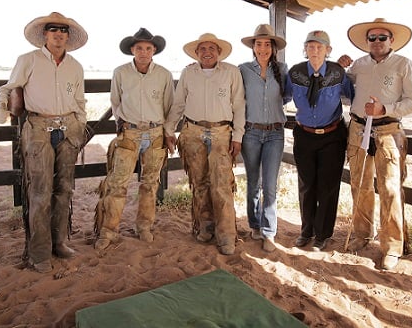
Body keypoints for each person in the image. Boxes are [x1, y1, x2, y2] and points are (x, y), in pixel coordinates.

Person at [0, 12, 88, 273]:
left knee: (64, 189)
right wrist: (1, 109)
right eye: (53, 29)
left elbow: (79, 101)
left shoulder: (75, 66)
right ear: (45, 34)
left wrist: (79, 126)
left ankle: (59, 242)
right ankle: (38, 254)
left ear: (68, 36)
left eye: (63, 30)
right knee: (39, 191)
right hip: (38, 128)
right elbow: (8, 88)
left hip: (68, 128)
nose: (58, 34)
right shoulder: (29, 60)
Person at [341, 17, 412, 270]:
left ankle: (392, 247)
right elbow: (343, 83)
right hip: (357, 129)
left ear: (391, 40)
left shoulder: (404, 64)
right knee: (360, 184)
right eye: (372, 38)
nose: (376, 42)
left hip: (388, 129)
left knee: (390, 188)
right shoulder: (359, 65)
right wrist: (340, 67)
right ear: (367, 42)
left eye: (381, 37)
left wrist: (385, 107)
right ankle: (363, 235)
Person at [165, 33, 245, 255]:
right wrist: (169, 129)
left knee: (221, 185)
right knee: (199, 183)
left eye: (211, 48)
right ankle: (205, 228)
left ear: (218, 52)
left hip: (221, 132)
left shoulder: (231, 72)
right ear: (196, 53)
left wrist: (238, 136)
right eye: (202, 49)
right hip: (193, 131)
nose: (207, 52)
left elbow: (239, 105)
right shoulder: (188, 72)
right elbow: (178, 102)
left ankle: (227, 234)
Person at [93, 28, 174, 250]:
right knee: (118, 182)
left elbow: (170, 106)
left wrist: (168, 132)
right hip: (130, 133)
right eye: (139, 48)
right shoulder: (120, 72)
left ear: (154, 50)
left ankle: (144, 226)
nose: (144, 52)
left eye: (148, 48)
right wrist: (125, 122)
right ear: (132, 50)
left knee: (149, 183)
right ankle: (109, 230)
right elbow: (115, 101)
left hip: (156, 132)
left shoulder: (164, 75)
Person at [287, 30, 353, 251]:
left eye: (320, 47)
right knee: (306, 185)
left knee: (328, 186)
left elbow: (354, 96)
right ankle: (306, 231)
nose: (315, 50)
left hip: (332, 135)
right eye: (311, 46)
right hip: (304, 134)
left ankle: (322, 235)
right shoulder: (295, 73)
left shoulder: (338, 72)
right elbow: (282, 96)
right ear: (305, 49)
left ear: (328, 50)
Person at [238, 24, 291, 253]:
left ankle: (269, 232)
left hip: (275, 134)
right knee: (253, 184)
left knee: (270, 184)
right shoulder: (242, 70)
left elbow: (289, 96)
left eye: (267, 44)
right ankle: (255, 225)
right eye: (258, 44)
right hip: (250, 132)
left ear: (273, 47)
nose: (262, 48)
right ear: (253, 47)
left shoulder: (283, 69)